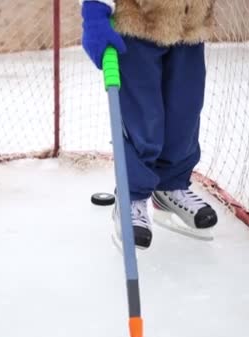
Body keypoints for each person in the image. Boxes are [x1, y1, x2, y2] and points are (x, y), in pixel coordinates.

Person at [80, 0, 219, 249]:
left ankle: (171, 187)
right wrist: (94, 11)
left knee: (185, 112)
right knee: (143, 119)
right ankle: (131, 197)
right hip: (137, 23)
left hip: (190, 23)